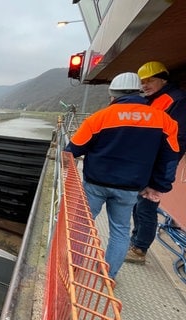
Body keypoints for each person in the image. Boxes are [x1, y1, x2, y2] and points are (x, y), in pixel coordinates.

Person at [65, 72, 179, 280]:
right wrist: (158, 186)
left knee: (83, 224)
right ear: (140, 93)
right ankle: (108, 276)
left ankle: (73, 268)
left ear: (113, 95)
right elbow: (170, 158)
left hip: (95, 184)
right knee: (120, 231)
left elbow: (73, 149)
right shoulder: (163, 120)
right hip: (130, 188)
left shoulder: (99, 117)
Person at [125, 61, 186, 264]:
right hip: (146, 163)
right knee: (138, 204)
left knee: (146, 206)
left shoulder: (176, 100)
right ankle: (135, 241)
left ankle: (140, 249)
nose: (145, 85)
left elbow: (177, 139)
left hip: (157, 164)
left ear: (163, 79)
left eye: (150, 80)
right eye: (142, 82)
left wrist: (162, 169)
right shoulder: (154, 100)